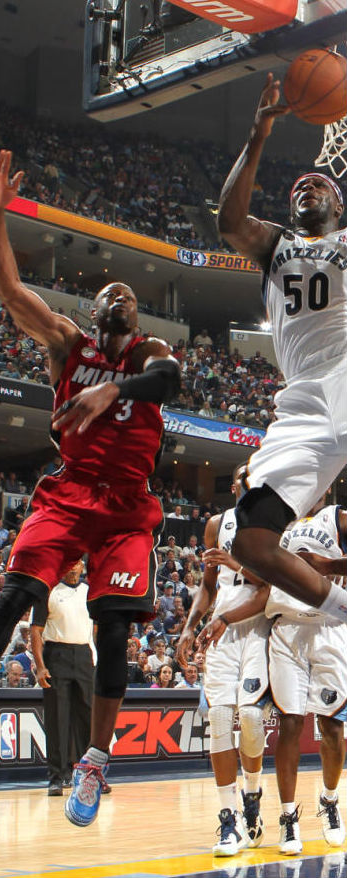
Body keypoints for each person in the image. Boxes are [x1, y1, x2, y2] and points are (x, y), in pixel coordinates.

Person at [0, 150, 180, 829]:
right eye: (108, 294)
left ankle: (93, 762)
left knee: (115, 632)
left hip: (126, 509)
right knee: (13, 598)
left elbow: (168, 383)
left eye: (128, 295)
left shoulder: (148, 354)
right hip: (68, 494)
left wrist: (111, 392)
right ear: (94, 311)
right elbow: (10, 292)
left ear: (136, 313)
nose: (118, 298)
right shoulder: (68, 344)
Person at [217, 74, 347, 625]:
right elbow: (228, 222)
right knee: (252, 540)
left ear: (339, 203)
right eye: (298, 186)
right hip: (300, 402)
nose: (306, 187)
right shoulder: (275, 243)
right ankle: (342, 610)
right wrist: (257, 134)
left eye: (319, 185)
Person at [177, 465, 270, 858]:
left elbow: (269, 588)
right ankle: (228, 819)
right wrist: (187, 626)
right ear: (234, 486)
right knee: (217, 723)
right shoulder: (216, 524)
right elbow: (207, 586)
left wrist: (238, 566)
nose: (248, 483)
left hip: (257, 630)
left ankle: (252, 791)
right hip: (219, 632)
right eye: (243, 478)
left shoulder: (272, 526)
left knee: (250, 719)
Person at [265, 500, 347, 854]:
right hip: (286, 628)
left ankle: (329, 800)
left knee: (331, 728)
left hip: (330, 625)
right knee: (290, 724)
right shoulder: (274, 522)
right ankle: (287, 816)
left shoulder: (338, 518)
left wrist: (328, 565)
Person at [30, 560, 95, 796]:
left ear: (82, 566)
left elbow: (94, 627)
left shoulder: (90, 591)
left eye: (76, 564)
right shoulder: (47, 591)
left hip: (84, 655)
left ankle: (90, 774)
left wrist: (95, 654)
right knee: (58, 718)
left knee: (88, 718)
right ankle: (57, 777)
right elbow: (35, 630)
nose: (72, 569)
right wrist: (40, 666)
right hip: (56, 654)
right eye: (67, 565)